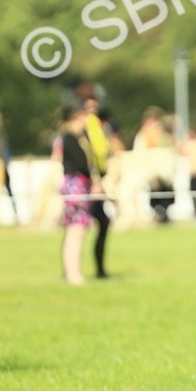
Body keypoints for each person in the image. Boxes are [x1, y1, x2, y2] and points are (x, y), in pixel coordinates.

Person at [52, 103, 98, 285]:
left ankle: (73, 271)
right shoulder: (69, 138)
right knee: (75, 229)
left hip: (81, 184)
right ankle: (73, 272)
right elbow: (80, 163)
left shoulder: (81, 138)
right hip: (75, 185)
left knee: (77, 230)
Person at [81, 95, 113, 276]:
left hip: (97, 180)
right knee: (78, 228)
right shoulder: (85, 130)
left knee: (102, 223)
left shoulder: (100, 129)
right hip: (88, 182)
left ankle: (99, 269)